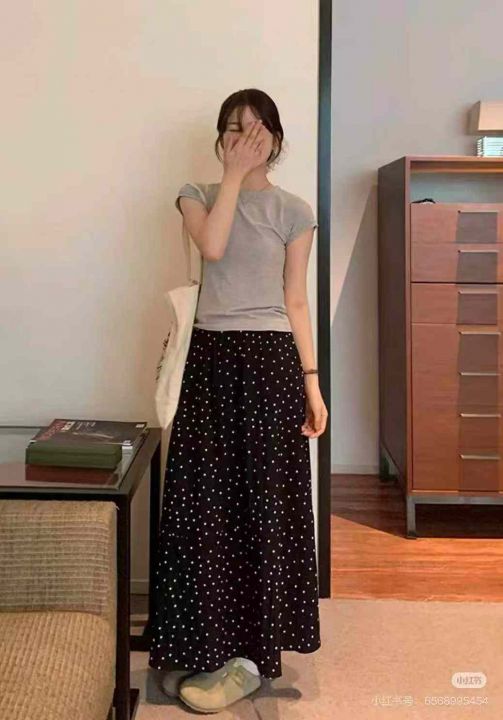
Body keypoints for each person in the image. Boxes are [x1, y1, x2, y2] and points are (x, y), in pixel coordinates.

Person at [148, 88, 328, 714]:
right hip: (209, 360)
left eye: (256, 129)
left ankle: (250, 660)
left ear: (275, 138)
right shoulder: (195, 195)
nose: (244, 139)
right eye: (233, 129)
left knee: (264, 508)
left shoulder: (295, 210)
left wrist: (312, 382)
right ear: (220, 138)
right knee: (202, 504)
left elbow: (295, 299)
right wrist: (230, 177)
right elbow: (214, 247)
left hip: (271, 364)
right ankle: (201, 644)